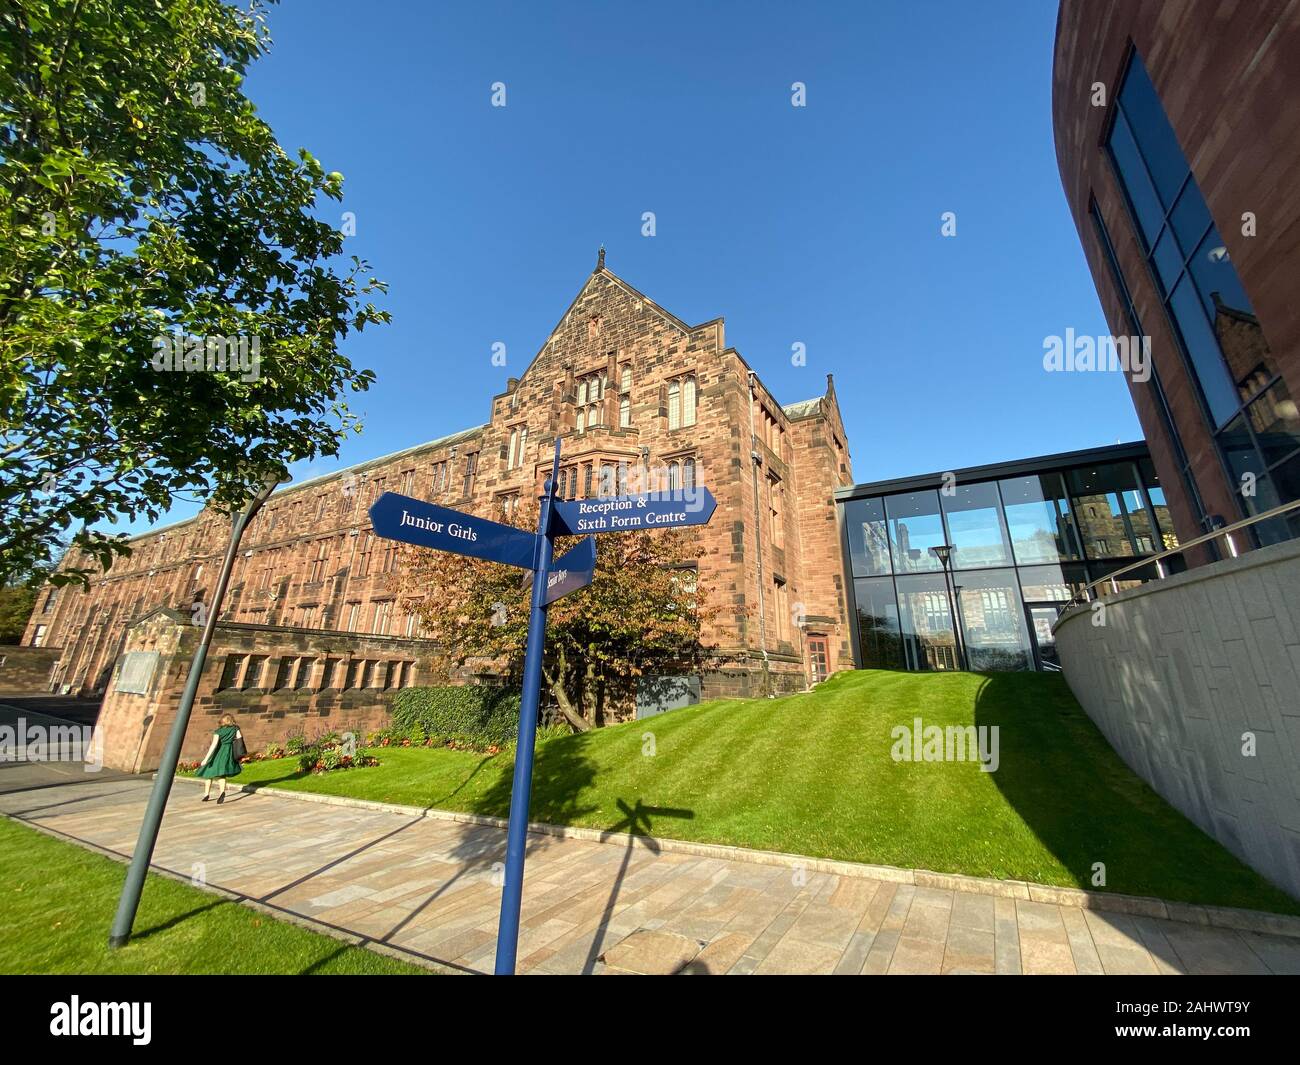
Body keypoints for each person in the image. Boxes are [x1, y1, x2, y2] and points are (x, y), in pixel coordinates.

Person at [196, 714, 243, 804]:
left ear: (222, 721)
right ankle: (222, 792)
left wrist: (206, 759)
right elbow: (239, 738)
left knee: (208, 772)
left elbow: (213, 745)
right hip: (228, 752)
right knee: (222, 774)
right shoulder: (235, 728)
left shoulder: (218, 731)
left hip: (218, 753)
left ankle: (206, 794)